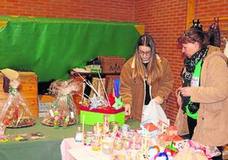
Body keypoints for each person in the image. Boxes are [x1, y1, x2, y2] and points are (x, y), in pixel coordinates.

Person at [175, 27, 228, 160]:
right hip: (193, 118)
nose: (182, 50)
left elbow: (222, 91)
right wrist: (180, 94)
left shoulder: (215, 61)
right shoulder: (191, 61)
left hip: (210, 123)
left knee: (211, 157)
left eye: (185, 47)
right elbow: (189, 84)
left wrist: (192, 92)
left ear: (195, 44)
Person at [120, 33, 173, 121]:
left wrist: (161, 96)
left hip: (156, 109)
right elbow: (125, 87)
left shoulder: (162, 63)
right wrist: (127, 102)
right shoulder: (129, 66)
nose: (144, 55)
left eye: (147, 52)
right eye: (141, 52)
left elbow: (167, 82)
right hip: (137, 111)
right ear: (137, 50)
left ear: (153, 51)